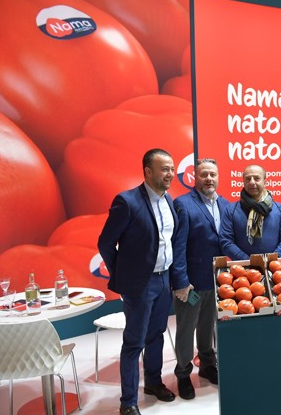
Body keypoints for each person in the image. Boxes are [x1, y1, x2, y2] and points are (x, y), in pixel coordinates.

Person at [98, 148, 187, 415]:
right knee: (134, 342)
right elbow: (105, 243)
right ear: (148, 171)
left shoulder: (168, 200)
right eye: (164, 169)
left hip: (163, 280)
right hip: (140, 284)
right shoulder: (127, 202)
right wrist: (122, 274)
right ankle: (128, 402)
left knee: (156, 335)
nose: (170, 174)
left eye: (172, 169)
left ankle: (153, 383)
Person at [170, 158, 229, 400]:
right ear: (195, 177)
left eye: (212, 174)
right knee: (186, 329)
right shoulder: (183, 204)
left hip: (217, 282)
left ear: (218, 177)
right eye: (203, 174)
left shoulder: (225, 204)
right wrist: (181, 281)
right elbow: (178, 246)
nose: (208, 179)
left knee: (208, 326)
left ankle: (207, 365)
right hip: (191, 284)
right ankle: (183, 373)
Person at [220, 164, 281, 259]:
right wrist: (249, 262)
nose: (252, 182)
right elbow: (226, 242)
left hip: (273, 265)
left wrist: (272, 260)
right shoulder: (230, 210)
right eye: (248, 179)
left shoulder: (279, 209)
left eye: (257, 178)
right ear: (243, 181)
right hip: (242, 266)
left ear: (265, 181)